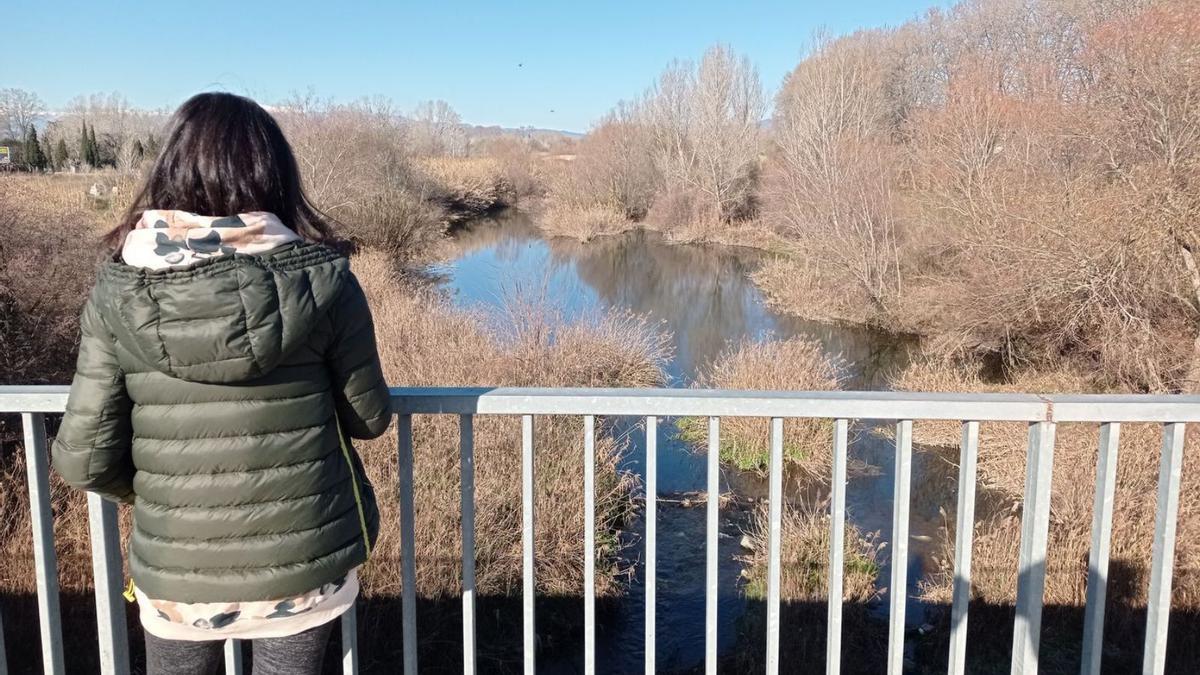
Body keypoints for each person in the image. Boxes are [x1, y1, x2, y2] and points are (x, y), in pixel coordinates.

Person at [51, 92, 391, 675]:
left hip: (178, 576)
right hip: (303, 564)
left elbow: (82, 460)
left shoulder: (116, 295)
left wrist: (166, 492)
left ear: (170, 171)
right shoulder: (324, 280)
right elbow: (369, 418)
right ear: (274, 174)